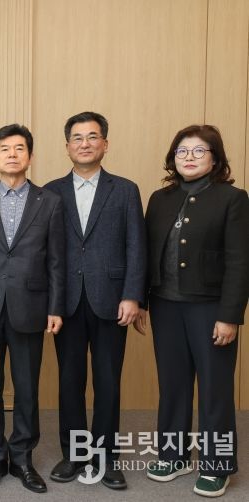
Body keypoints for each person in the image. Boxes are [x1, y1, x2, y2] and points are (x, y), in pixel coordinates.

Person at [136, 125, 248, 498]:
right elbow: (146, 253)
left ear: (215, 158)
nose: (189, 157)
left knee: (215, 389)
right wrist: (141, 300)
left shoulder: (232, 199)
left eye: (199, 151)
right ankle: (174, 456)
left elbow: (239, 262)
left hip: (210, 308)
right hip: (165, 305)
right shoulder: (160, 198)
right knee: (173, 386)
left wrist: (230, 315)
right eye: (182, 151)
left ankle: (217, 465)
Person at [44, 111, 145, 490]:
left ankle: (106, 457)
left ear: (105, 143)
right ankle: (73, 454)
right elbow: (44, 251)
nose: (84, 144)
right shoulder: (50, 191)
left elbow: (136, 246)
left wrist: (133, 295)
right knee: (69, 381)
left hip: (112, 300)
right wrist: (49, 302)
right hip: (65, 301)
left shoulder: (125, 190)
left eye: (92, 137)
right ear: (67, 145)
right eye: (77, 138)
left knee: (108, 382)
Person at [0, 124, 64, 494]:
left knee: (27, 388)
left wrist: (56, 307)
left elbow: (57, 260)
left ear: (30, 156)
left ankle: (22, 457)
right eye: (4, 149)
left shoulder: (50, 201)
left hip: (30, 306)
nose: (12, 154)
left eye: (19, 148)